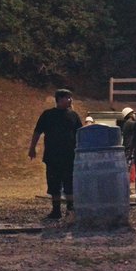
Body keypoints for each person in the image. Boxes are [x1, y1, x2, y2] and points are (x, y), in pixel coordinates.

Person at [29, 89, 83, 220]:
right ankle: (56, 210)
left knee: (69, 183)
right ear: (59, 99)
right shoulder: (48, 115)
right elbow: (37, 131)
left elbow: (80, 134)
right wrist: (32, 147)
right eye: (67, 97)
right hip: (52, 156)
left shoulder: (74, 116)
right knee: (54, 183)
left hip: (70, 156)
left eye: (70, 97)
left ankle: (70, 209)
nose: (70, 100)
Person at [120, 105, 136, 183]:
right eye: (133, 113)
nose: (135, 115)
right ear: (130, 114)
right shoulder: (130, 123)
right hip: (129, 149)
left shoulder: (126, 123)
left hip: (127, 148)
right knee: (129, 168)